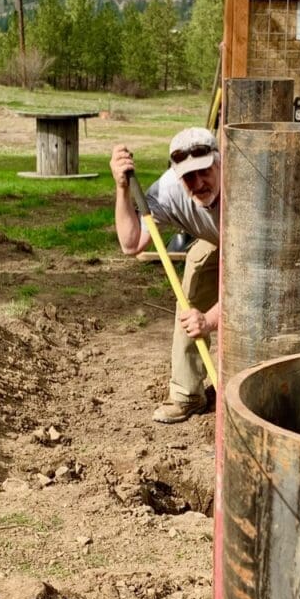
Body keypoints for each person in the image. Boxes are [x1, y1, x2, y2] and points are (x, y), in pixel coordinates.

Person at [110, 127, 220, 424]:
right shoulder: (169, 188)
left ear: (220, 163)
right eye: (188, 176)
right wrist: (122, 189)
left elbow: (246, 286)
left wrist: (209, 321)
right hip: (216, 237)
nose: (197, 183)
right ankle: (188, 394)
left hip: (265, 247)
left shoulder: (245, 192)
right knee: (192, 290)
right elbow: (130, 243)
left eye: (204, 171)